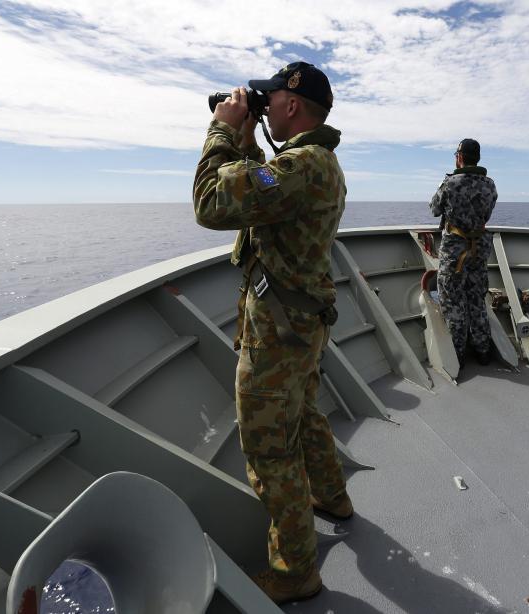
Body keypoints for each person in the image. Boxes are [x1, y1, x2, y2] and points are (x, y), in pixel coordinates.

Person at [192, 61, 351, 604]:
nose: (261, 108)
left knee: (269, 452)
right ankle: (332, 497)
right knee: (304, 413)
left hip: (278, 337)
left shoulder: (301, 165)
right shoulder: (313, 162)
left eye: (268, 100)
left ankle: (295, 570)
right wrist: (245, 138)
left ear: (289, 105)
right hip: (301, 324)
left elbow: (212, 204)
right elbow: (264, 193)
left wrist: (220, 130)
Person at [429, 138, 498, 367]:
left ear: (459, 157)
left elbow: (434, 209)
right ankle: (483, 350)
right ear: (477, 157)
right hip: (478, 248)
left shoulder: (451, 183)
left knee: (452, 300)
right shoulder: (490, 185)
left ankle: (457, 354)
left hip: (454, 250)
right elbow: (486, 215)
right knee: (476, 298)